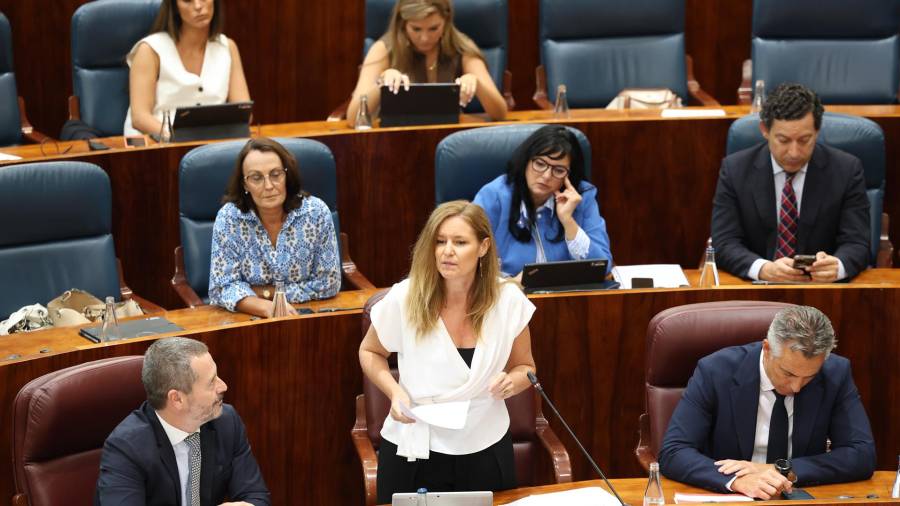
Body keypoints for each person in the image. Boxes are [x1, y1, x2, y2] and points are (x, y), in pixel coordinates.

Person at [358, 200, 536, 503]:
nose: (447, 251)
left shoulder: (507, 300)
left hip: (485, 443)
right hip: (415, 442)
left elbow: (525, 367)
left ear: (483, 247)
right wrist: (394, 392)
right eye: (440, 242)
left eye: (460, 242)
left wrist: (513, 382)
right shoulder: (406, 296)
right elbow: (370, 351)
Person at [659, 306, 875, 500]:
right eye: (788, 373)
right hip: (733, 498)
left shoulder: (835, 374)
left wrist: (779, 470)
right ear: (767, 348)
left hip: (795, 496)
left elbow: (861, 455)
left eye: (810, 377)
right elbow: (674, 451)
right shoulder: (715, 371)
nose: (797, 387)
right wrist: (737, 481)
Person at [711, 83, 870, 282]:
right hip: (758, 291)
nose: (794, 153)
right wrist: (763, 269)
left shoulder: (846, 170)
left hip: (822, 291)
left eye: (804, 140)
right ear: (764, 130)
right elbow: (724, 242)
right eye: (783, 140)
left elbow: (857, 243)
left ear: (817, 131)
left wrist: (837, 266)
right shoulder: (735, 170)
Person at [96, 337, 270, 505]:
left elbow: (256, 495)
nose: (223, 386)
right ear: (177, 399)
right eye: (211, 382)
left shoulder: (226, 422)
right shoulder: (126, 448)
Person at [209, 137, 340, 317]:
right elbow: (221, 287)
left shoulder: (316, 213)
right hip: (247, 319)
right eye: (256, 178)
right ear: (245, 184)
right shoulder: (230, 218)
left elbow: (329, 283)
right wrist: (267, 307)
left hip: (306, 315)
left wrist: (262, 292)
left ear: (287, 175)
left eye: (276, 174)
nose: (269, 185)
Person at [473, 125, 613, 279]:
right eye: (540, 164)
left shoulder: (582, 198)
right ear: (526, 161)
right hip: (509, 298)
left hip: (567, 299)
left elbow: (603, 267)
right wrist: (510, 286)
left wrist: (567, 220)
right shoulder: (493, 196)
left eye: (558, 170)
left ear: (569, 176)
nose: (546, 176)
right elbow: (468, 263)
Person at [346, 0, 507, 126]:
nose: (424, 38)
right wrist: (381, 83)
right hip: (397, 139)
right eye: (416, 29)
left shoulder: (461, 47)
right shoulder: (384, 49)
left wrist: (477, 83)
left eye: (433, 28)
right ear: (403, 24)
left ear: (446, 22)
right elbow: (353, 118)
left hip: (449, 137)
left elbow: (500, 113)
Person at [124, 0, 250, 136]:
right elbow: (139, 118)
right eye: (187, 0)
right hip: (156, 144)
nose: (198, 6)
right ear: (175, 7)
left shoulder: (227, 47)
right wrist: (178, 138)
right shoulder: (149, 50)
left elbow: (244, 113)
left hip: (209, 145)